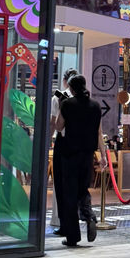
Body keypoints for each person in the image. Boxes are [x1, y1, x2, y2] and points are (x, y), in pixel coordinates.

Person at [55, 73, 107, 247]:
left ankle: (73, 237)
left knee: (69, 195)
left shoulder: (67, 104)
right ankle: (89, 216)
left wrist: (61, 107)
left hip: (70, 155)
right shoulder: (95, 106)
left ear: (71, 88)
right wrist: (103, 156)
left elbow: (59, 126)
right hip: (88, 156)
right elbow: (99, 133)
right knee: (83, 190)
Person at [49, 67, 76, 236]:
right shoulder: (85, 100)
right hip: (79, 145)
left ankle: (62, 222)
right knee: (76, 185)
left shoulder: (58, 98)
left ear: (65, 81)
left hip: (63, 142)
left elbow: (55, 124)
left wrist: (47, 141)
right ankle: (82, 217)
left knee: (60, 184)